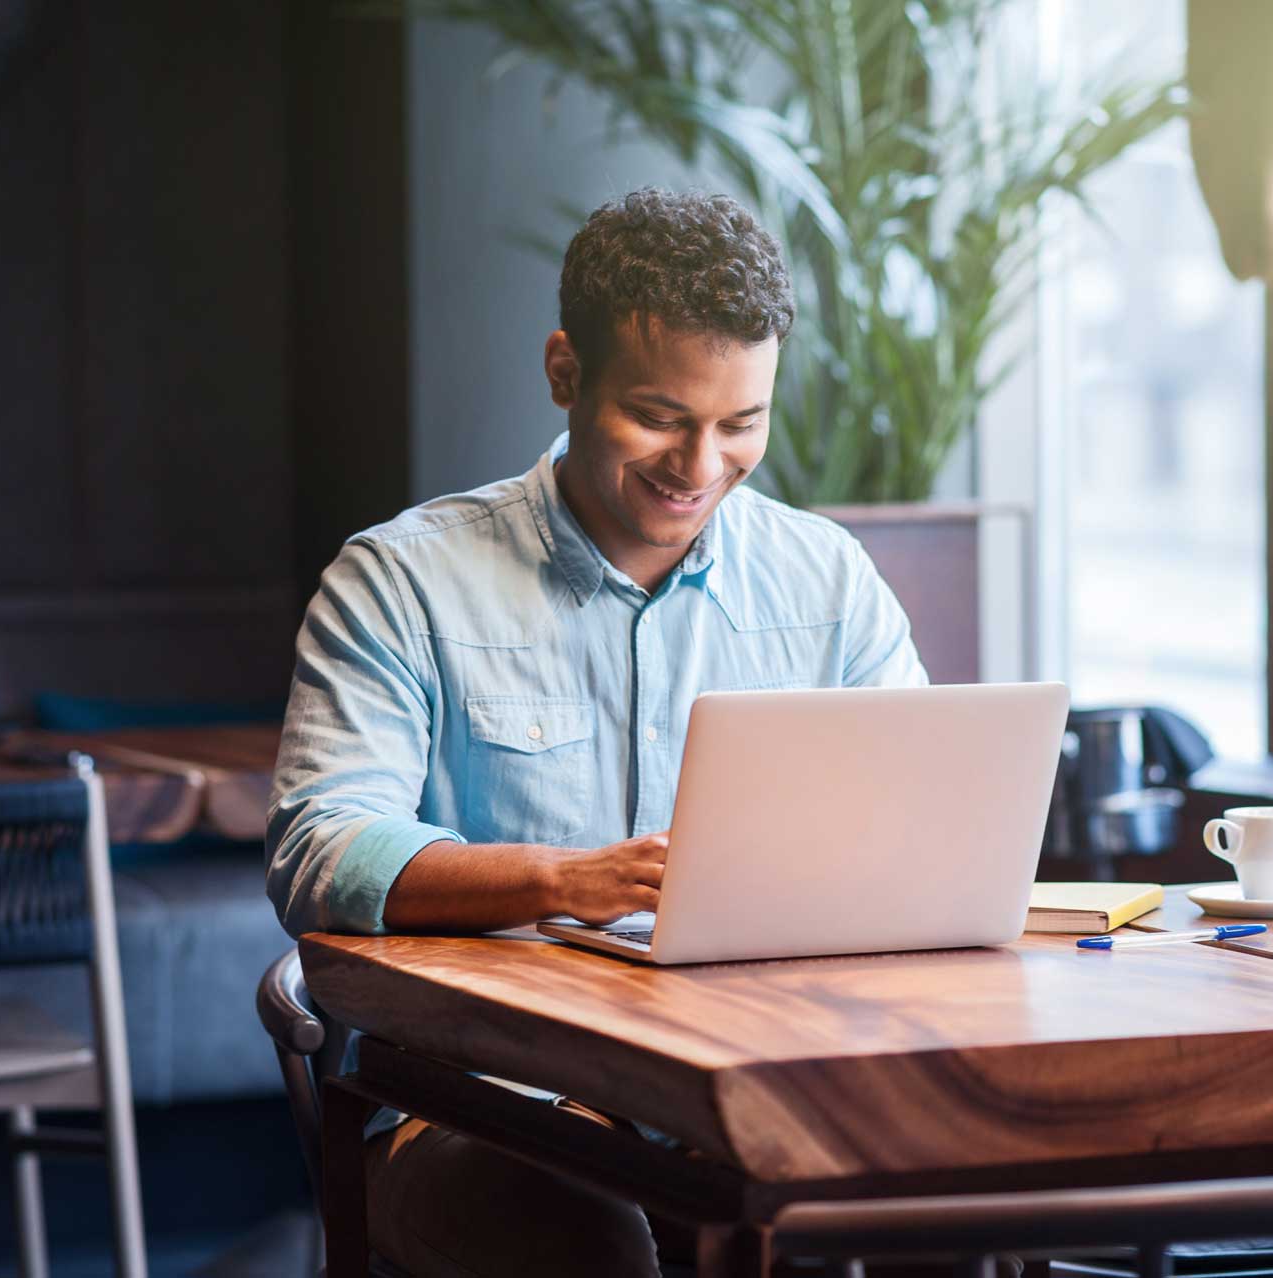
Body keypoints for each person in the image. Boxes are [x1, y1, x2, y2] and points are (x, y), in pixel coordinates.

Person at [267, 187, 928, 1276]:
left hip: (771, 1089)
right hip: (479, 1106)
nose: (700, 465)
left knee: (968, 1220)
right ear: (566, 371)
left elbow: (925, 822)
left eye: (741, 424)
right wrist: (564, 879)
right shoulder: (403, 581)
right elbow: (321, 848)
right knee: (586, 1236)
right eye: (662, 416)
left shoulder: (828, 581)